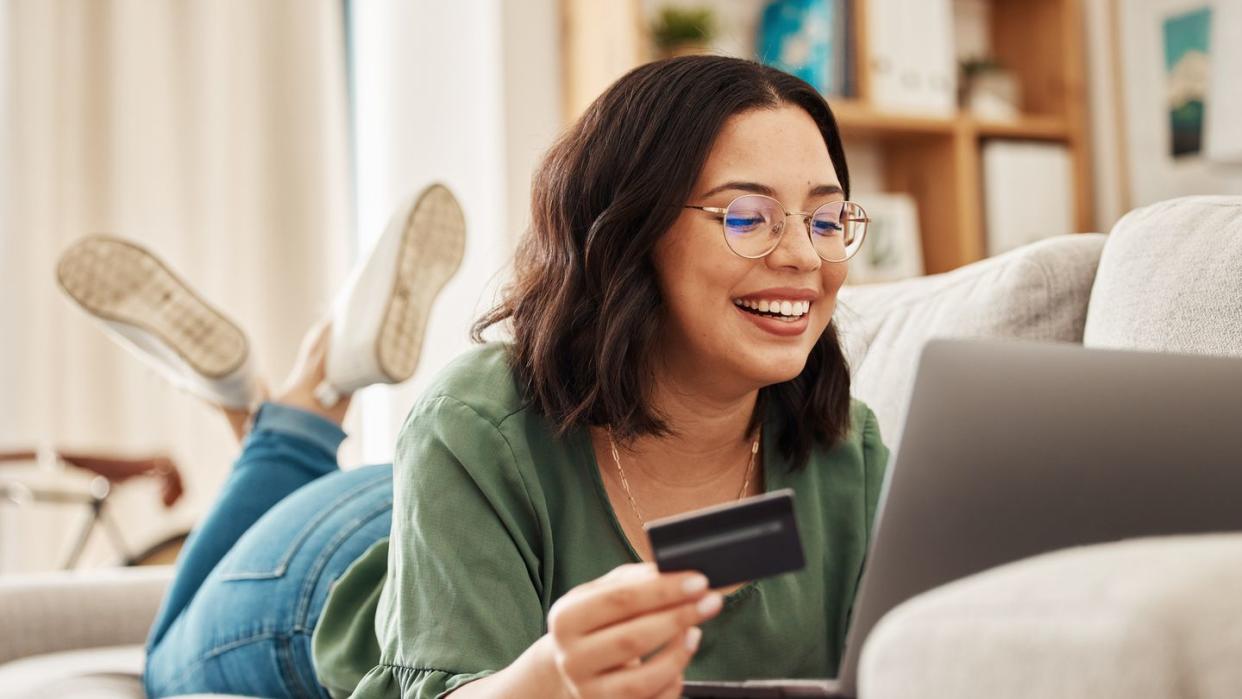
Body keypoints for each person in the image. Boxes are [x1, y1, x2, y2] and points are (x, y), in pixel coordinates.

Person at [64, 55, 889, 699]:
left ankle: (282, 400)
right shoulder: (474, 418)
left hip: (460, 509)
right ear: (627, 232)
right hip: (333, 568)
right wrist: (553, 679)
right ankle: (291, 419)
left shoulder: (850, 450)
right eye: (747, 217)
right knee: (169, 660)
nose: (803, 256)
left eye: (825, 218)